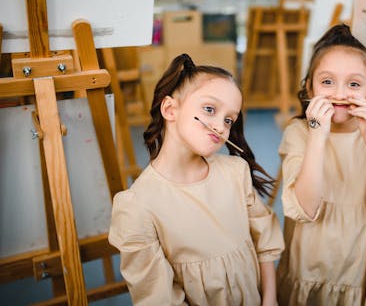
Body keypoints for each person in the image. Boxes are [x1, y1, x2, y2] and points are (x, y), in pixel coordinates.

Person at [108, 53, 284, 305]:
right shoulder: (137, 206)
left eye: (228, 120)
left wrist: (269, 300)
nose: (221, 127)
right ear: (170, 109)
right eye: (209, 109)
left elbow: (265, 242)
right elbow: (159, 297)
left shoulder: (235, 172)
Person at [276, 24, 366, 305]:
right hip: (308, 266)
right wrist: (318, 134)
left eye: (353, 84)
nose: (340, 92)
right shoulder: (299, 134)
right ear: (309, 87)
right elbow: (304, 208)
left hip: (360, 270)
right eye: (327, 82)